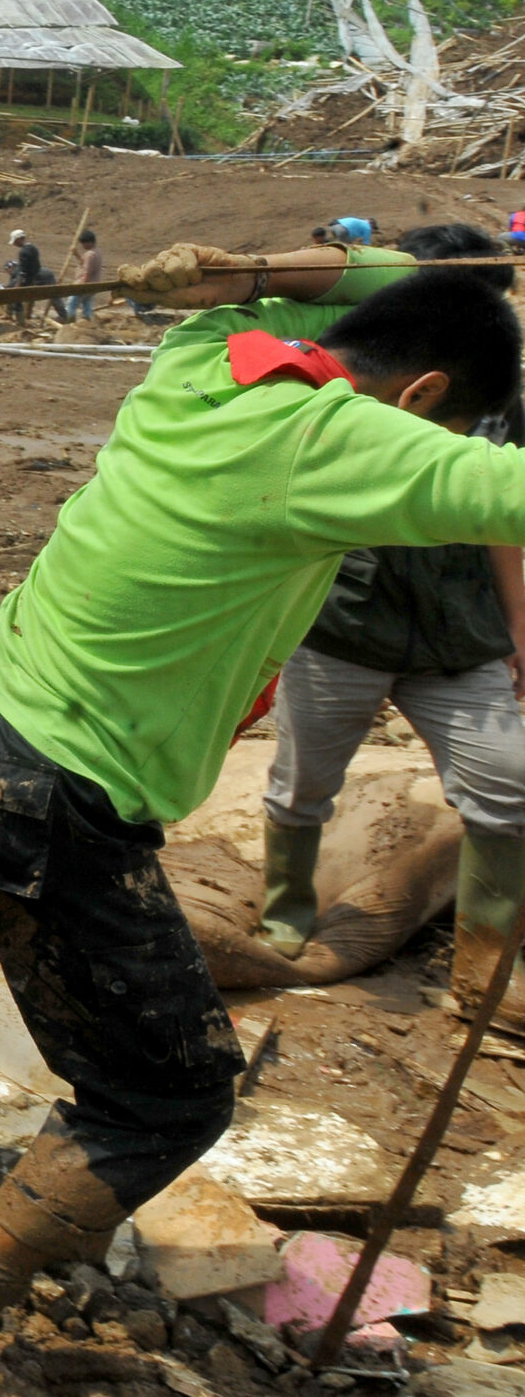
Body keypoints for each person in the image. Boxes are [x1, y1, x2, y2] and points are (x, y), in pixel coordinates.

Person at [0, 243, 525, 1397]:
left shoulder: (202, 358)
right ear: (424, 398)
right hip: (56, 793)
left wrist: (259, 265)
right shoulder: (334, 439)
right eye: (448, 425)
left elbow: (375, 281)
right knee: (170, 1090)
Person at [260, 223, 525, 1034]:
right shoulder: (335, 391)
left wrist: (520, 630)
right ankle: (284, 919)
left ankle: (486, 966)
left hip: (458, 636)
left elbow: (505, 528)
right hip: (344, 624)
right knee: (302, 786)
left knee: (508, 787)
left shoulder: (501, 405)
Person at [5, 228, 52, 327]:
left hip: (25, 280)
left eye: (14, 241)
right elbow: (36, 266)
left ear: (18, 239)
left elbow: (23, 271)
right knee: (17, 296)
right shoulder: (33, 248)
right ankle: (18, 317)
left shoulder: (23, 252)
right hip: (32, 278)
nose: (14, 244)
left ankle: (19, 320)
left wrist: (18, 284)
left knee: (11, 294)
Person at [58, 227, 105, 324]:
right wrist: (76, 254)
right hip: (93, 285)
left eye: (84, 243)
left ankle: (70, 324)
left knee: (71, 304)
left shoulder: (90, 255)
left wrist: (81, 286)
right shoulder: (97, 252)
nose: (83, 245)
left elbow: (86, 272)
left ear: (90, 242)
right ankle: (88, 323)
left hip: (85, 285)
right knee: (87, 305)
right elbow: (84, 263)